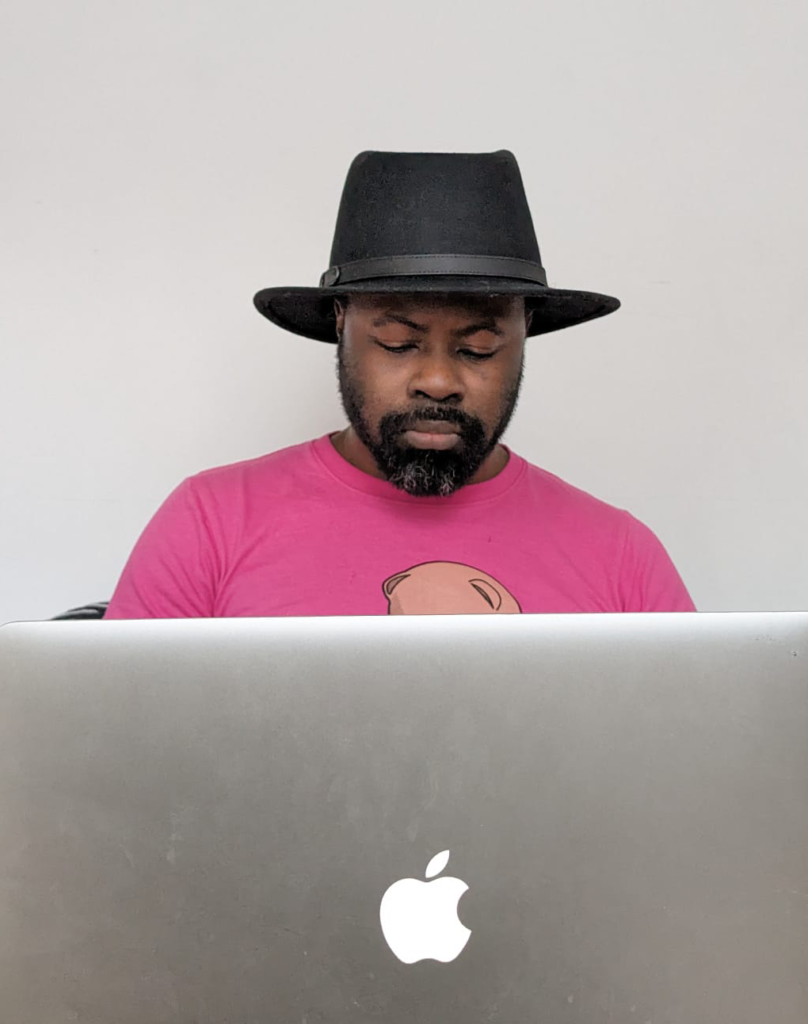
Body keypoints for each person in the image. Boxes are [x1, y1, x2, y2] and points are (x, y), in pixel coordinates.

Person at [105, 150, 694, 619]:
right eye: (398, 342)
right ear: (341, 323)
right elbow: (118, 751)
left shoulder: (621, 556)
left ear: (525, 333)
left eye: (477, 348)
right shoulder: (209, 524)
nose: (437, 381)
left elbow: (688, 762)